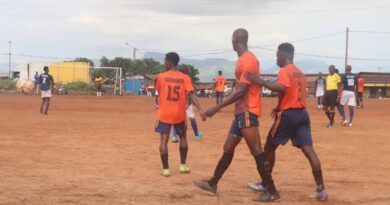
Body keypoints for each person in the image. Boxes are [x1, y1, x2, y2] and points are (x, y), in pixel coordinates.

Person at [193, 28, 279, 202]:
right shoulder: (242, 59)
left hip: (248, 111)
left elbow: (240, 92)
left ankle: (272, 191)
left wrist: (215, 108)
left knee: (257, 151)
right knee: (228, 147)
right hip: (240, 112)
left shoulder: (247, 60)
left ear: (237, 40)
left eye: (232, 40)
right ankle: (213, 183)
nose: (231, 43)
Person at [245, 43, 328, 201]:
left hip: (288, 115)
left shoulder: (284, 70)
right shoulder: (301, 73)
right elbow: (292, 93)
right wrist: (278, 106)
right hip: (302, 114)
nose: (276, 59)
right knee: (309, 151)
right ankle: (321, 190)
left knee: (269, 147)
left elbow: (281, 88)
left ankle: (266, 184)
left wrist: (259, 81)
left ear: (285, 56)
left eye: (278, 56)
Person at [155, 52, 204, 177]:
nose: (164, 63)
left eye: (165, 61)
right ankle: (182, 166)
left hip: (164, 113)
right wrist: (200, 109)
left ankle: (166, 169)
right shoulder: (185, 78)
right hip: (179, 113)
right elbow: (192, 94)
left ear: (169, 62)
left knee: (164, 140)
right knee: (183, 138)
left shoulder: (160, 76)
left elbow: (159, 91)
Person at [171, 66, 203, 142]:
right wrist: (188, 103)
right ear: (187, 72)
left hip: (177, 103)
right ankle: (196, 135)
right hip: (187, 103)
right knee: (191, 118)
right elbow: (190, 92)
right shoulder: (188, 79)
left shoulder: (176, 80)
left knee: (175, 120)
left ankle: (175, 136)